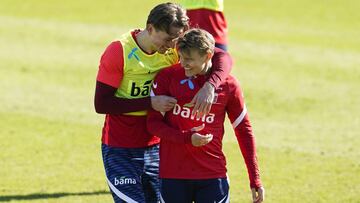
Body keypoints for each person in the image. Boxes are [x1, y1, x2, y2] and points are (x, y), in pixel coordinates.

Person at [94, 2, 232, 203]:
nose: (171, 46)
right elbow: (102, 104)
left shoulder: (172, 50)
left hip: (158, 147)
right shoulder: (119, 51)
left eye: (175, 40)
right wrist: (150, 102)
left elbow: (223, 57)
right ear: (150, 28)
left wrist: (210, 86)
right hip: (121, 147)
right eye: (168, 39)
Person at [147, 28, 264, 203]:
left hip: (212, 175)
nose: (183, 63)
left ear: (208, 56)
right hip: (173, 175)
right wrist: (186, 138)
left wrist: (255, 178)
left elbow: (244, 131)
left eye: (189, 59)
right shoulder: (167, 77)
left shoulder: (229, 86)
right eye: (181, 57)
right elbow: (153, 124)